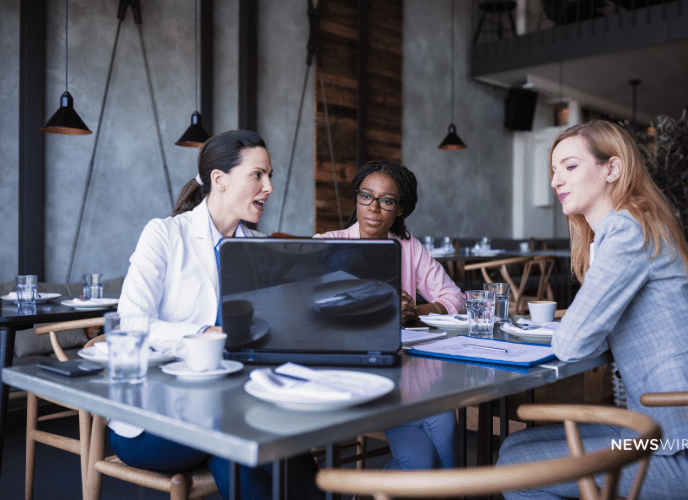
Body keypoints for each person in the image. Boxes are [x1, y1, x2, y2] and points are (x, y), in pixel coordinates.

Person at [496, 120, 688, 499]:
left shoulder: (627, 229)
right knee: (514, 449)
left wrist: (566, 328)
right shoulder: (626, 229)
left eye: (569, 166)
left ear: (612, 169)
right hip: (662, 435)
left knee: (519, 467)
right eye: (553, 170)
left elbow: (574, 341)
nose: (555, 181)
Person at [116, 130, 323, 500]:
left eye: (270, 175)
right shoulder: (164, 235)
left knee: (255, 444)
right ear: (219, 180)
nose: (269, 187)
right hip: (153, 417)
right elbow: (132, 324)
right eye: (257, 175)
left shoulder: (259, 247)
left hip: (234, 402)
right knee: (250, 436)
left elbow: (271, 329)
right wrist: (206, 333)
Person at [316, 160, 462, 470]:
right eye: (366, 196)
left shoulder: (408, 248)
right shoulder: (327, 246)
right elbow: (314, 313)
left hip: (402, 371)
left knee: (426, 451)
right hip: (351, 375)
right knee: (439, 425)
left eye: (387, 200)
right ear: (356, 198)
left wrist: (416, 312)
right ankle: (456, 492)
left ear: (399, 209)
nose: (373, 208)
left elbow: (455, 298)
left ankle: (449, 491)